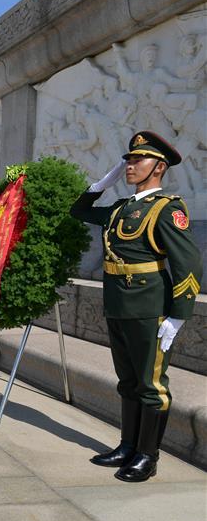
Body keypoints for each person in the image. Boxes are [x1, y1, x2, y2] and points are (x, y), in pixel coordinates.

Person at [70, 131, 202, 482]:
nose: (130, 165)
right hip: (118, 305)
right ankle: (127, 446)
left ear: (159, 167)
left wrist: (177, 316)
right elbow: (78, 210)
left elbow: (188, 265)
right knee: (128, 382)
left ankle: (148, 456)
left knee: (151, 385)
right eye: (127, 160)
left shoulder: (167, 209)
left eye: (137, 160)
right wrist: (104, 181)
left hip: (150, 309)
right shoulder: (120, 209)